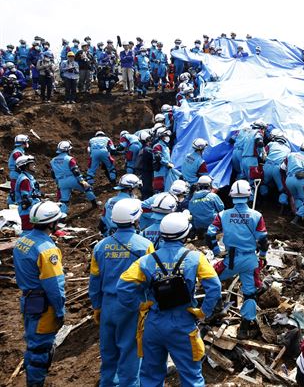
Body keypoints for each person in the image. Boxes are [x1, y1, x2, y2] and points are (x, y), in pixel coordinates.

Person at [117, 212, 222, 387]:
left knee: (150, 376)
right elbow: (215, 287)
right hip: (183, 324)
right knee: (191, 376)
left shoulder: (146, 261)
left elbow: (123, 287)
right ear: (186, 233)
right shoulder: (196, 258)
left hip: (153, 324)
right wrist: (203, 312)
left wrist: (140, 305)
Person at [90, 198, 154, 387]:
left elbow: (94, 280)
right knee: (131, 350)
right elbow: (150, 280)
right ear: (136, 220)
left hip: (108, 305)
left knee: (108, 351)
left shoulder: (100, 246)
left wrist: (97, 306)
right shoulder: (144, 245)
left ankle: (108, 383)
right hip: (133, 305)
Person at [13, 201, 67, 387]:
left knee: (32, 342)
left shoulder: (22, 241)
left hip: (28, 300)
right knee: (41, 349)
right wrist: (60, 310)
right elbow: (54, 284)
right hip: (43, 305)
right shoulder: (47, 249)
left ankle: (31, 378)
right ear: (52, 223)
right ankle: (35, 383)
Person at [206, 180, 269, 339]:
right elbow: (263, 240)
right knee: (250, 293)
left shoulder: (223, 215)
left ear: (232, 196)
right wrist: (262, 256)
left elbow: (210, 234)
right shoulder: (257, 215)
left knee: (211, 278)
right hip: (249, 260)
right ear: (249, 195)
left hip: (231, 260)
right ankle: (244, 328)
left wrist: (216, 251)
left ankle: (217, 308)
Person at [50, 140, 98, 214]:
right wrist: (82, 181)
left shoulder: (52, 161)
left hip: (61, 182)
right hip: (72, 179)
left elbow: (53, 174)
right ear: (67, 149)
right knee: (87, 189)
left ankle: (62, 218)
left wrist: (57, 183)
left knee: (64, 200)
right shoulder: (69, 159)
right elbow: (75, 171)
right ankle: (95, 205)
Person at [283, 142, 304, 226]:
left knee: (297, 198)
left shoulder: (291, 155)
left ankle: (299, 217)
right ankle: (295, 220)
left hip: (288, 180)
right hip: (300, 181)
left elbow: (282, 167)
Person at [260, 129, 290, 208]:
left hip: (267, 166)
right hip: (278, 168)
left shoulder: (270, 144)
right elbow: (287, 162)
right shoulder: (288, 149)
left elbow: (262, 154)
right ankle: (282, 207)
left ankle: (263, 202)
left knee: (264, 184)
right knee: (282, 189)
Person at [14, 155, 42, 234]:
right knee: (28, 231)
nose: (34, 166)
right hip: (27, 211)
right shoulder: (25, 180)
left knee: (34, 229)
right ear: (25, 166)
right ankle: (23, 245)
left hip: (31, 210)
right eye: (32, 164)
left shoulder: (27, 177)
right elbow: (25, 198)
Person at [241, 120, 267, 190]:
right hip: (251, 160)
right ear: (261, 128)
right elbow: (259, 142)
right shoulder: (258, 132)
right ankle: (251, 200)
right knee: (253, 182)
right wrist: (263, 153)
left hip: (243, 159)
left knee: (244, 182)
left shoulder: (248, 133)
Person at [8, 134, 29, 205]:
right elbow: (20, 163)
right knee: (15, 191)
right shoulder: (17, 152)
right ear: (23, 143)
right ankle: (12, 204)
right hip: (16, 174)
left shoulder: (20, 151)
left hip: (17, 173)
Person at [152, 128, 173, 193]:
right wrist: (167, 163)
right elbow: (158, 157)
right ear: (161, 137)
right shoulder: (158, 146)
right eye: (165, 136)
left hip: (166, 171)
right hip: (160, 172)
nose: (167, 137)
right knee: (159, 190)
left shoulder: (166, 147)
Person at [136, 130, 155, 199]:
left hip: (144, 172)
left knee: (145, 189)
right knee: (148, 190)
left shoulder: (143, 149)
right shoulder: (147, 150)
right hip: (148, 172)